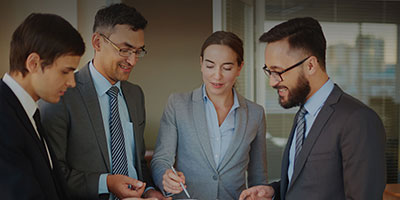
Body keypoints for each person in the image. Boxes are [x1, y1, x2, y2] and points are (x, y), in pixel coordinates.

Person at [239, 17, 386, 200]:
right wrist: (274, 192)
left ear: (310, 65)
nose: (272, 82)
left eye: (278, 71)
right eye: (269, 71)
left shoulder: (359, 120)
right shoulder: (303, 115)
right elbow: (306, 184)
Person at [39, 4, 164, 200]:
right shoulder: (61, 94)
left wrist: (149, 190)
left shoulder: (135, 95)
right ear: (97, 42)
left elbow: (138, 162)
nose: (133, 61)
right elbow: (53, 173)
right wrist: (106, 182)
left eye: (138, 51)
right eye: (125, 50)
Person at [151, 31, 268, 200]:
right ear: (201, 63)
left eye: (227, 68)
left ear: (239, 67)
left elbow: (258, 178)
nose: (217, 75)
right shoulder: (178, 104)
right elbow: (161, 160)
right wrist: (165, 177)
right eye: (210, 66)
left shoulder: (255, 113)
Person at [0, 13, 84, 199]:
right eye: (65, 72)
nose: (72, 83)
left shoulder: (27, 112)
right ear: (33, 63)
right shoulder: (3, 117)